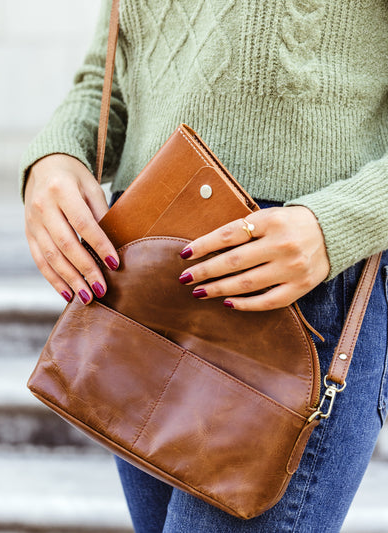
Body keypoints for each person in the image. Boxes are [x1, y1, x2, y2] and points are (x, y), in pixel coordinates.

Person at [20, 1, 388, 531]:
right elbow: (112, 72)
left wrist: (337, 225)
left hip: (296, 288)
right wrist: (56, 156)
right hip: (144, 269)